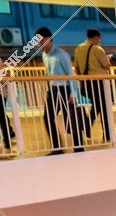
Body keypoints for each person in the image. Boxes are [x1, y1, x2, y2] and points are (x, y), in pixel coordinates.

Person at [34, 27, 82, 155]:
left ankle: (78, 147)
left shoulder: (62, 55)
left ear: (49, 38)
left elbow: (70, 75)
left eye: (41, 41)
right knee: (48, 117)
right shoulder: (44, 55)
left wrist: (73, 94)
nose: (39, 44)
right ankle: (57, 147)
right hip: (53, 90)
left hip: (64, 89)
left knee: (71, 118)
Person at [74, 29, 111, 143]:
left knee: (97, 106)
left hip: (86, 82)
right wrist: (108, 58)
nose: (99, 40)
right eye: (99, 38)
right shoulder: (98, 49)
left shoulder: (79, 48)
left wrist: (81, 79)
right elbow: (106, 66)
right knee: (103, 108)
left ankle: (87, 125)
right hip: (99, 82)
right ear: (95, 37)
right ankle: (107, 135)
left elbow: (77, 67)